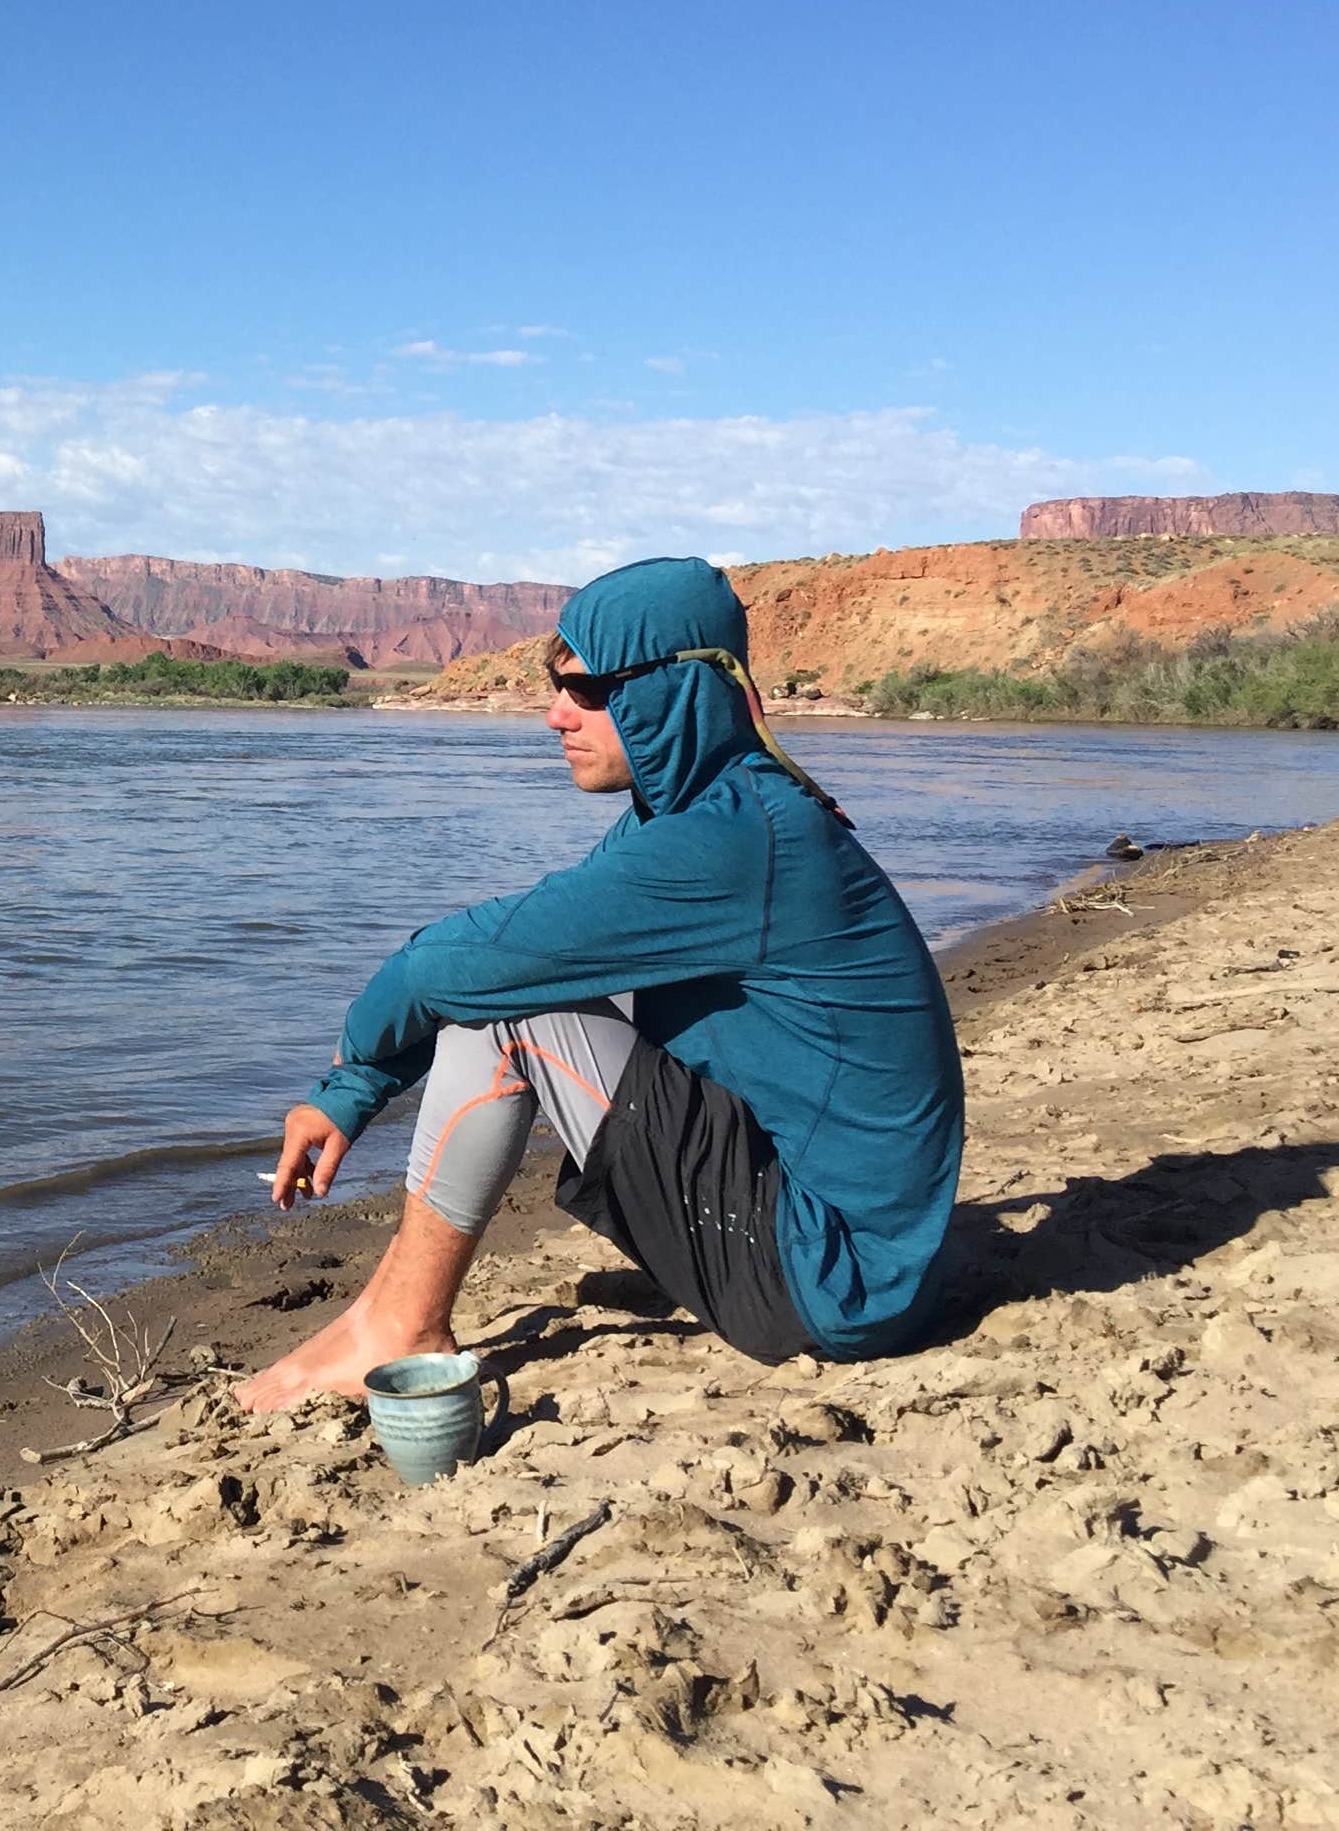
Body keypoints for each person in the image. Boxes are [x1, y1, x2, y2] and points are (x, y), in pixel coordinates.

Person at [237, 555, 963, 1411]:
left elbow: (453, 963)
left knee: (510, 1012)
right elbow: (518, 949)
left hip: (834, 1280)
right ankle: (391, 1318)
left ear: (669, 692)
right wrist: (361, 1081)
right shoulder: (717, 815)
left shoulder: (737, 842)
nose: (554, 717)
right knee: (518, 988)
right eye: (556, 687)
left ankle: (400, 1325)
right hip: (870, 1258)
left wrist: (349, 1082)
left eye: (585, 691)